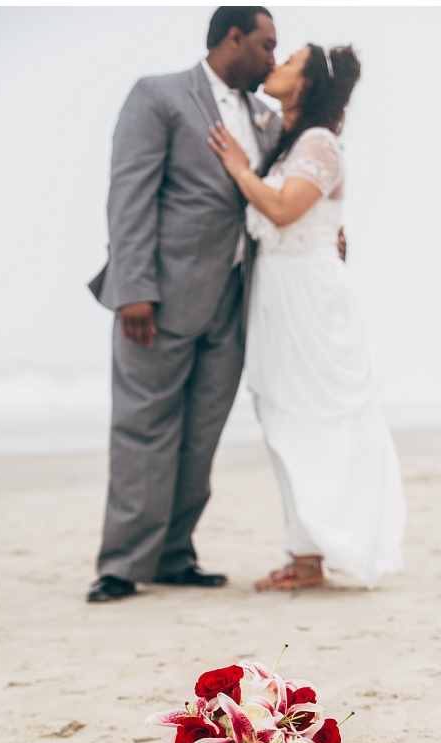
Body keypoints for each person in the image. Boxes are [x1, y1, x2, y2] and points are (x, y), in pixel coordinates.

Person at [86, 8, 282, 602]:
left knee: (202, 435)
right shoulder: (159, 96)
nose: (274, 56)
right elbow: (130, 195)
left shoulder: (268, 121)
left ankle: (174, 554)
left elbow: (274, 197)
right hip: (160, 299)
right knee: (143, 429)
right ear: (233, 37)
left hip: (234, 301)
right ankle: (122, 564)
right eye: (267, 44)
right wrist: (133, 289)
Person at [208, 44, 406, 590]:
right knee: (282, 419)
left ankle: (313, 554)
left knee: (310, 420)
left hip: (309, 297)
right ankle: (305, 555)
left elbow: (283, 208)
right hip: (279, 291)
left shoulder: (319, 142)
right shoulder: (290, 139)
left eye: (289, 61)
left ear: (306, 84)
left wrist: (238, 170)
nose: (275, 65)